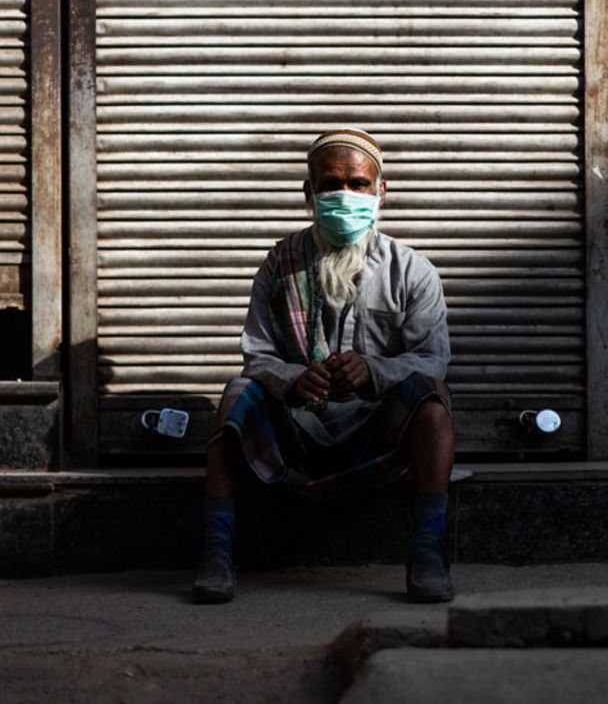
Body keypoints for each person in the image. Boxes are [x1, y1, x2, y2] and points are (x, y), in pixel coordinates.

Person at [192, 127, 456, 604]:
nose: (344, 195)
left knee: (433, 405)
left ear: (381, 191)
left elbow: (432, 358)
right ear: (309, 193)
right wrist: (293, 379)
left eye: (357, 184)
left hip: (376, 432)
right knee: (235, 395)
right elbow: (257, 353)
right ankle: (216, 555)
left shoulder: (413, 269)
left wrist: (374, 371)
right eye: (330, 184)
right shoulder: (281, 263)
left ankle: (427, 554)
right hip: (299, 430)